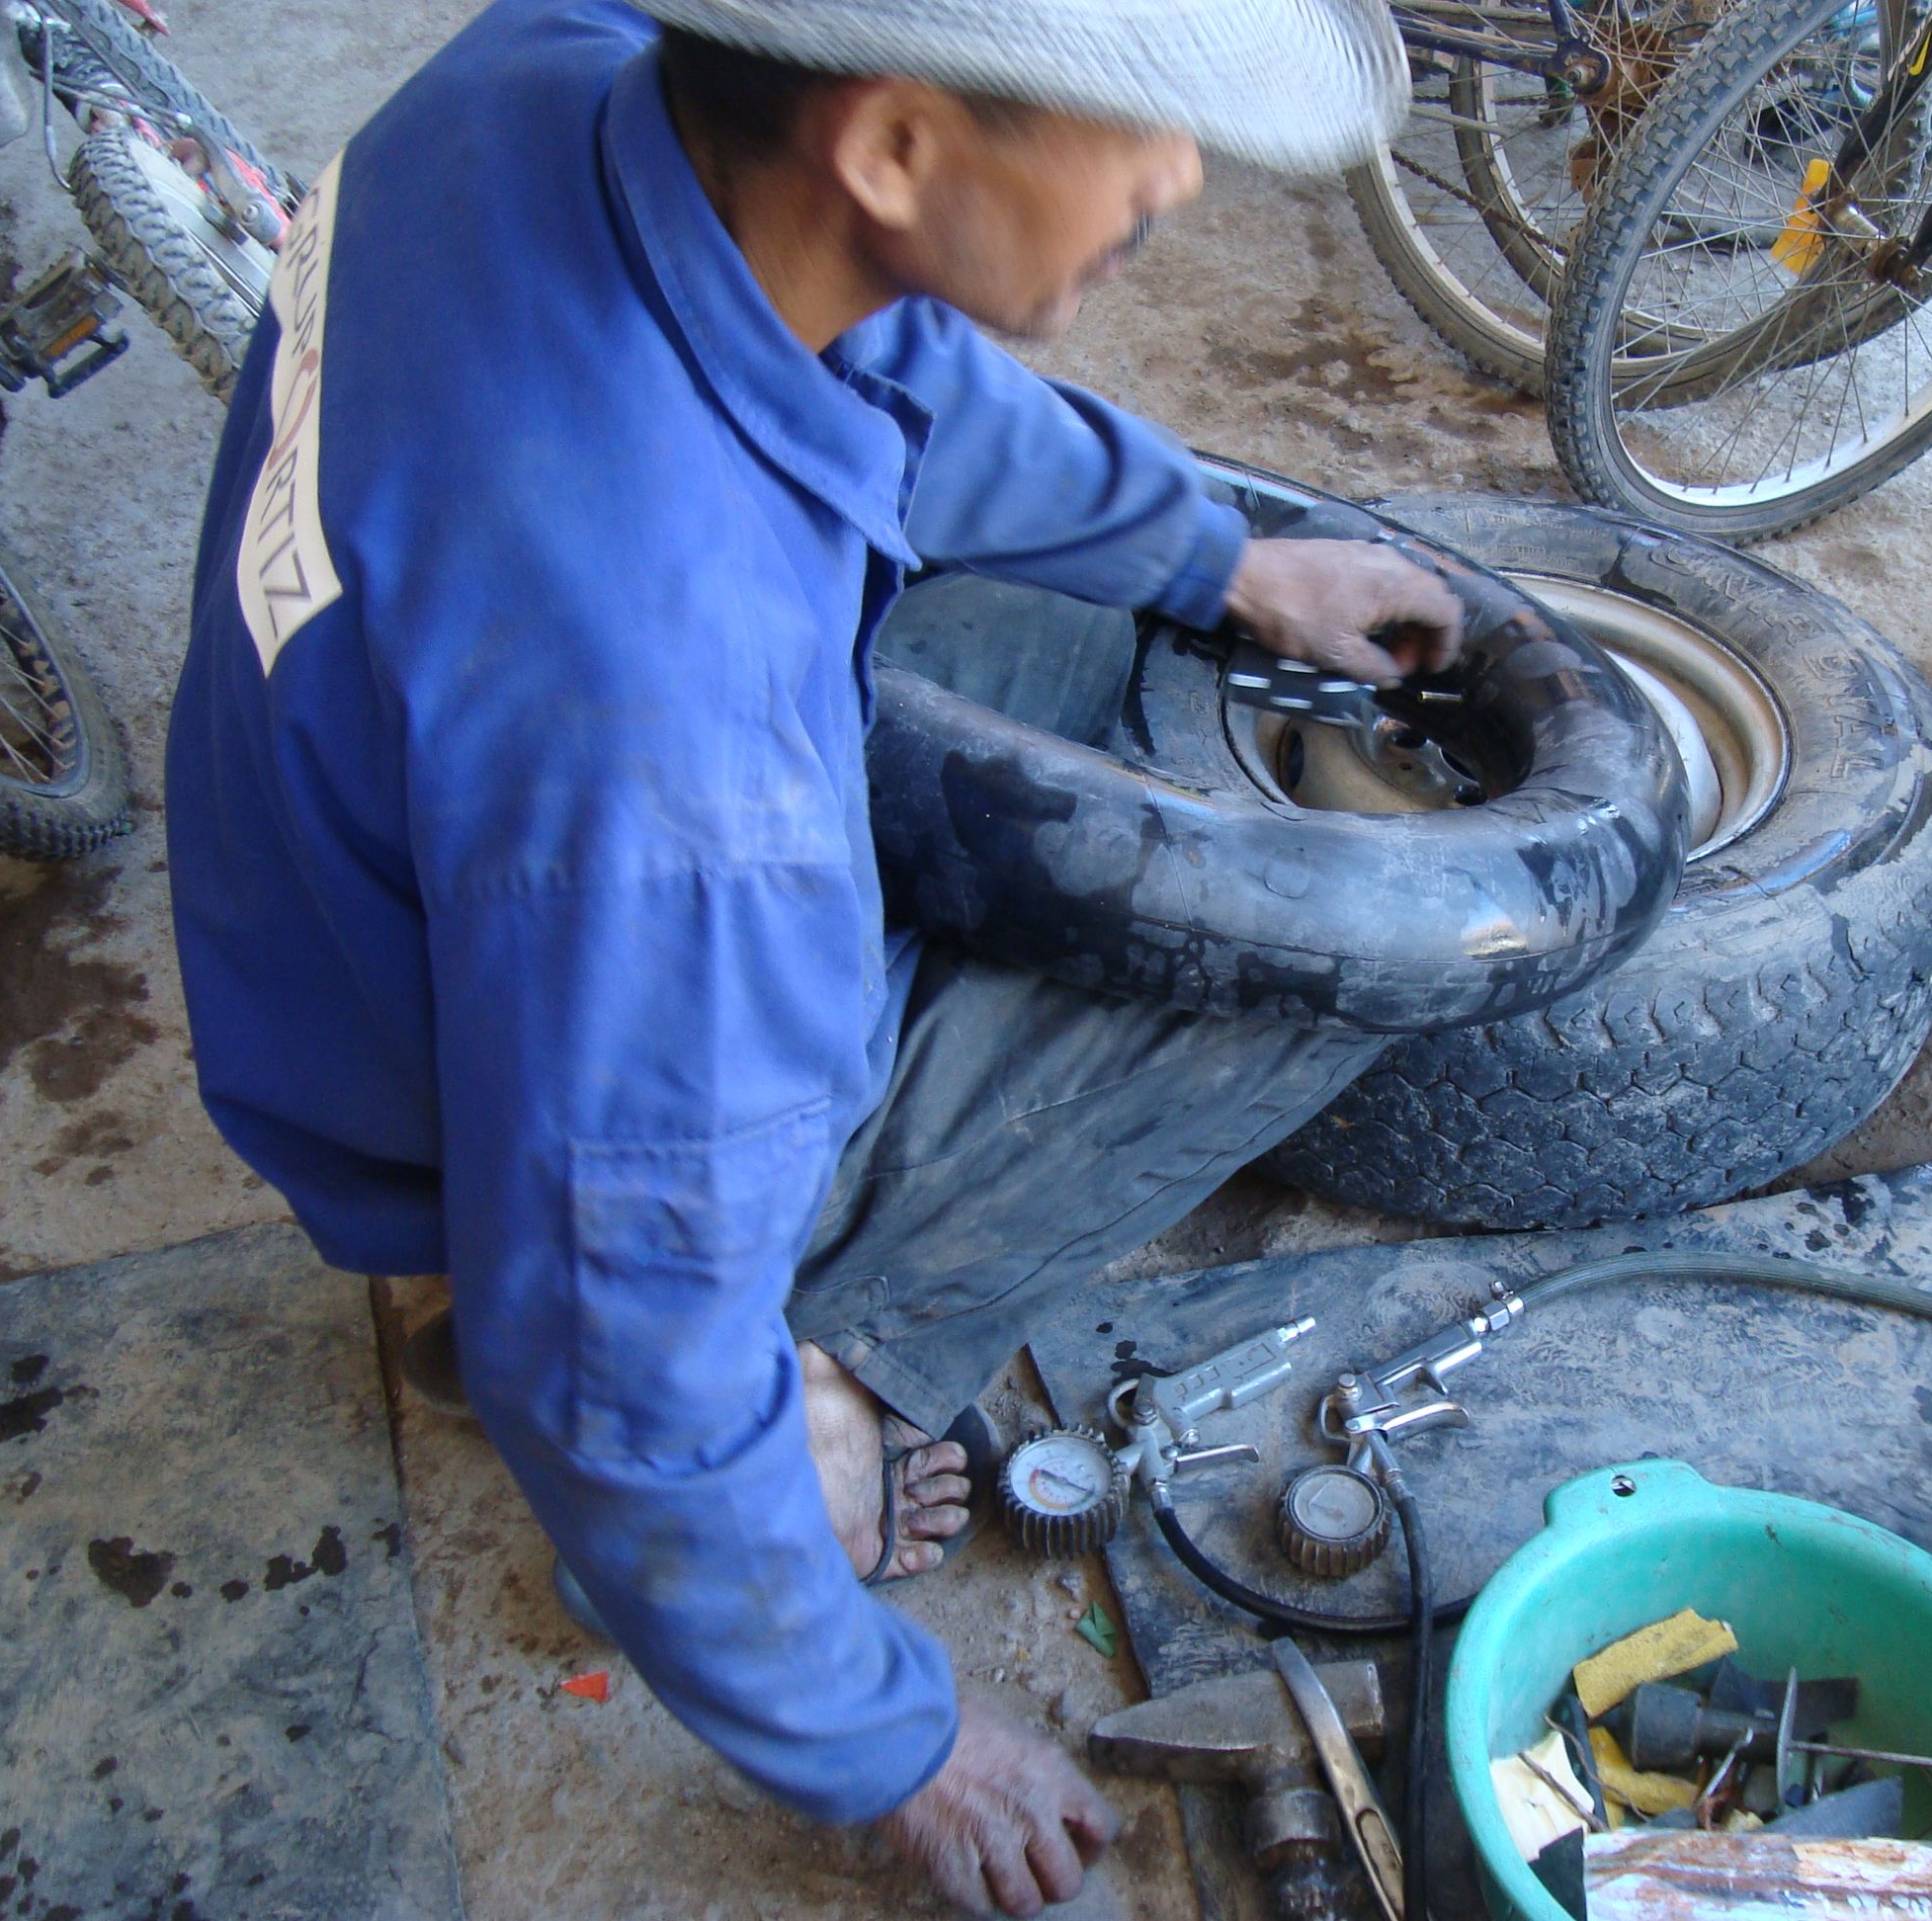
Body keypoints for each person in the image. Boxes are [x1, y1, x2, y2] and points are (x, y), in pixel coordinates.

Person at [165, 0, 1462, 1911]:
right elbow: (616, 1375)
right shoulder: (681, 798)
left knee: (1103, 654)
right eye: (1137, 125)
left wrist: (1219, 558)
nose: (1180, 181)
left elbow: (892, 369)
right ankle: (823, 1362)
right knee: (1323, 962)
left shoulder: (543, 79)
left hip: (342, 917)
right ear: (894, 151)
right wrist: (898, 1745)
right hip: (468, 1100)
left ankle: (716, 1279)